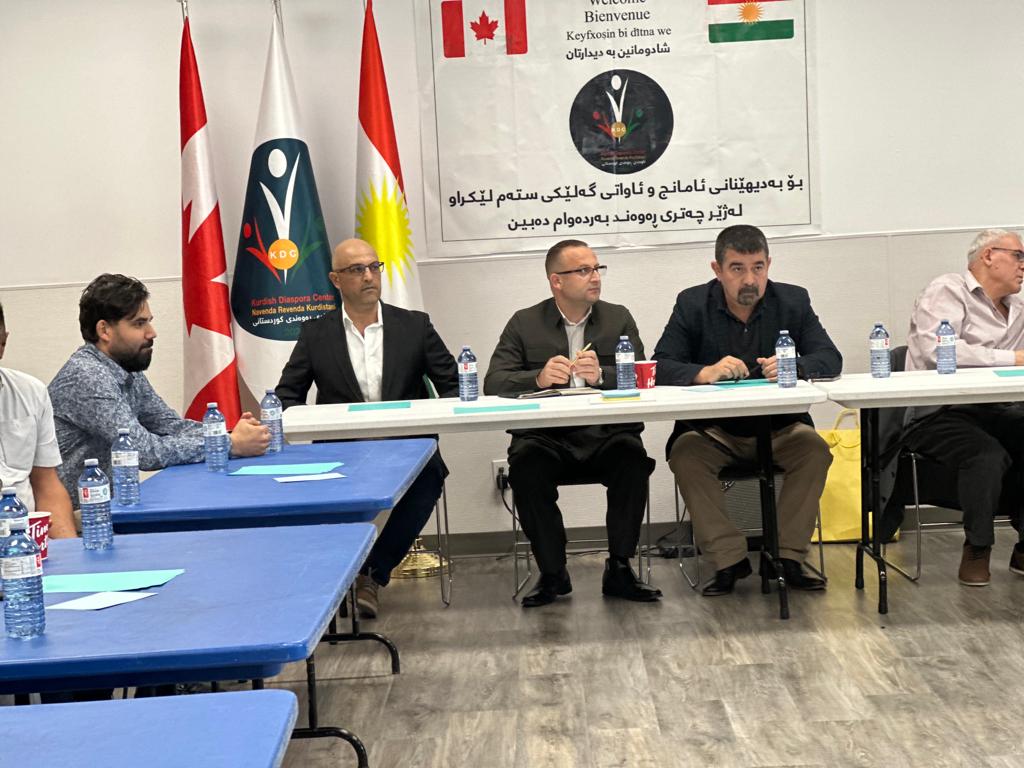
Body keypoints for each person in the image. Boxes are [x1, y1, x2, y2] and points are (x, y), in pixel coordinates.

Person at [653, 224, 841, 596]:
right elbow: (660, 365)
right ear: (717, 269)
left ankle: (786, 557)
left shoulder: (793, 301)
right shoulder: (692, 304)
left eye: (758, 267)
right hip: (713, 433)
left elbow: (830, 358)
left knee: (815, 450)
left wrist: (795, 366)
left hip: (780, 430)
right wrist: (704, 373)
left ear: (769, 264)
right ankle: (729, 560)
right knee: (685, 454)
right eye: (737, 269)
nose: (750, 279)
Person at [275, 238, 459, 618]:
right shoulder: (316, 333)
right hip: (342, 448)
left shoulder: (414, 325)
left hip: (407, 446)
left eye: (374, 267)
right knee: (317, 488)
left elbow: (453, 385)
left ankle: (371, 574)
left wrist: (434, 417)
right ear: (336, 279)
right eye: (356, 270)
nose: (369, 276)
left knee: (430, 476)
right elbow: (287, 395)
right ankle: (332, 575)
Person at [484, 239, 662, 608]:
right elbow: (494, 382)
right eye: (583, 270)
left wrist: (604, 376)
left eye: (597, 268)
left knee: (632, 458)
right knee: (526, 466)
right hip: (545, 439)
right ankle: (553, 572)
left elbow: (642, 377)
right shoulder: (524, 322)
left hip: (607, 436)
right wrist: (536, 378)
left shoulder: (618, 318)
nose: (595, 277)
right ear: (557, 281)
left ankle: (620, 567)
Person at [49, 274, 269, 502]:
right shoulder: (87, 376)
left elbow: (168, 426)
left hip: (113, 506)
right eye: (139, 323)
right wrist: (229, 444)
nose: (151, 332)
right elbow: (143, 451)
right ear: (104, 330)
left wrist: (229, 435)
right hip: (77, 515)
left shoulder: (125, 367)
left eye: (149, 321)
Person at [903, 228, 1024, 586]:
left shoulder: (1018, 308)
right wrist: (1012, 358)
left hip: (997, 409)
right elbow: (938, 351)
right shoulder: (948, 290)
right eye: (1018, 256)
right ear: (988, 255)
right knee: (986, 455)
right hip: (939, 412)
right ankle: (978, 547)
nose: (1023, 266)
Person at [0, 301, 76, 537]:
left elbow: (47, 486)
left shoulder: (32, 392)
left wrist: (70, 550)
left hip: (27, 540)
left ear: (4, 342)